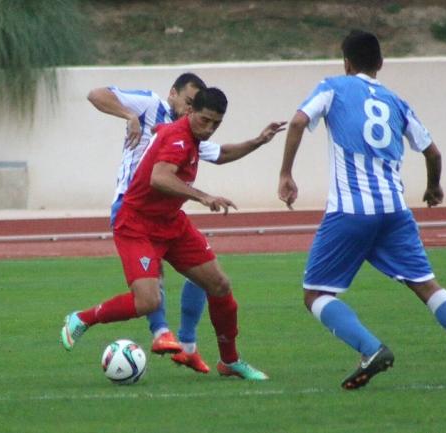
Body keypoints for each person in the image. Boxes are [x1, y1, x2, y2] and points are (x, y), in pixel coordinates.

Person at [278, 30, 446, 390]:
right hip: (396, 212)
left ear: (346, 63)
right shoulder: (397, 101)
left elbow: (298, 122)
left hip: (351, 211)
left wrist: (286, 173)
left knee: (316, 294)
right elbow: (433, 152)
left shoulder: (333, 85)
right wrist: (433, 187)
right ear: (381, 64)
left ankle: (371, 349)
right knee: (428, 286)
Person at [66, 86, 285, 380]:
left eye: (216, 124)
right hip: (137, 225)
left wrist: (259, 141)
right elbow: (159, 178)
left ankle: (230, 361)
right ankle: (82, 318)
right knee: (148, 302)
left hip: (171, 223)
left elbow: (223, 153)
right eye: (205, 120)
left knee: (219, 285)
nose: (209, 129)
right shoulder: (177, 136)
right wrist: (202, 196)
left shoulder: (195, 137)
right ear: (191, 110)